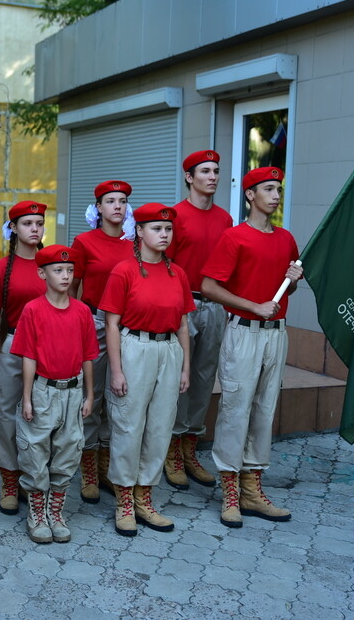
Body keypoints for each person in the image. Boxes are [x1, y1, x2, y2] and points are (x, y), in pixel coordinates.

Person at [201, 166, 303, 528]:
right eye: (269, 189)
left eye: (279, 189)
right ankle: (229, 492)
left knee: (264, 410)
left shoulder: (286, 239)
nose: (276, 195)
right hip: (243, 332)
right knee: (236, 409)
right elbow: (210, 286)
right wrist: (251, 305)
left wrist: (292, 282)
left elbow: (284, 291)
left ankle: (252, 490)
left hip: (276, 333)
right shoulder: (235, 237)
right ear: (250, 195)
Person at [100, 203, 194, 536]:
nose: (164, 234)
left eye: (168, 229)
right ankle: (124, 501)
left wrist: (185, 367)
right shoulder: (124, 271)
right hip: (134, 349)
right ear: (139, 231)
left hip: (168, 350)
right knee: (128, 426)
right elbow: (111, 324)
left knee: (160, 428)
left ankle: (145, 498)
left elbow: (183, 324)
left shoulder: (177, 273)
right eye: (156, 228)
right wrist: (117, 370)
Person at [10, 245, 97, 543]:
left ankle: (56, 510)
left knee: (69, 449)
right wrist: (28, 397)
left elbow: (88, 355)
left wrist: (89, 394)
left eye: (70, 270)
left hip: (73, 392)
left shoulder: (82, 311)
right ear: (42, 273)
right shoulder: (33, 310)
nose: (65, 276)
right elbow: (28, 356)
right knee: (35, 451)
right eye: (58, 270)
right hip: (43, 391)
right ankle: (37, 510)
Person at [165, 150, 233, 490]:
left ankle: (191, 447)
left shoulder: (225, 219)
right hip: (183, 305)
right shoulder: (175, 216)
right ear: (189, 177)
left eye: (216, 171)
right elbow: (165, 267)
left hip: (216, 307)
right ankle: (172, 449)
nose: (213, 176)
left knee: (205, 378)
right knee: (181, 378)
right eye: (205, 171)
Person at [68, 180, 134, 504]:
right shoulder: (84, 242)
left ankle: (108, 465)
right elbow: (71, 288)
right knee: (91, 398)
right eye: (110, 201)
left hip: (128, 325)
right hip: (94, 322)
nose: (117, 207)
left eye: (122, 201)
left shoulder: (134, 243)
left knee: (118, 397)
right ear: (98, 208)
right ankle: (89, 468)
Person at [0, 201, 47, 515]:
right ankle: (9, 480)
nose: (34, 229)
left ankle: (34, 478)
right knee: (6, 416)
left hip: (47, 351)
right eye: (27, 223)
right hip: (10, 348)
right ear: (14, 229)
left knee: (40, 415)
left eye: (39, 223)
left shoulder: (53, 265)